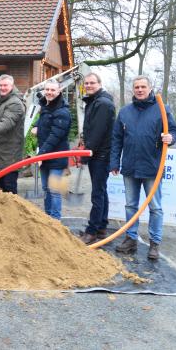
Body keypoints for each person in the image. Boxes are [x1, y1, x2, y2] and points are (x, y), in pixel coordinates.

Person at [110, 76, 176, 260]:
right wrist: (114, 162)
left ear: (149, 88)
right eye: (136, 87)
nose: (140, 89)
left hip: (152, 167)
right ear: (133, 90)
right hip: (130, 167)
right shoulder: (125, 112)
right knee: (131, 205)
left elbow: (173, 131)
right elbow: (116, 139)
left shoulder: (162, 110)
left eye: (143, 86)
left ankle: (154, 243)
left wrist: (170, 138)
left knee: (155, 207)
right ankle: (131, 239)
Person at [78, 73, 116, 244]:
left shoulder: (102, 103)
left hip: (100, 154)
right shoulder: (95, 101)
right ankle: (101, 226)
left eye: (92, 83)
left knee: (97, 193)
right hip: (99, 153)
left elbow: (98, 132)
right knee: (101, 190)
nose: (89, 85)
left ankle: (92, 231)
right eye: (86, 83)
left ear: (100, 84)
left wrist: (86, 154)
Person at [31, 79, 71, 219]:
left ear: (59, 91)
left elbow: (55, 136)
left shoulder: (62, 112)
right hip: (45, 156)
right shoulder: (47, 106)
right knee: (45, 189)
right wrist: (36, 125)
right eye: (47, 89)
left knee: (54, 191)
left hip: (56, 158)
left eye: (53, 90)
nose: (49, 92)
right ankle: (48, 219)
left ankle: (55, 221)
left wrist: (40, 155)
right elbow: (45, 118)